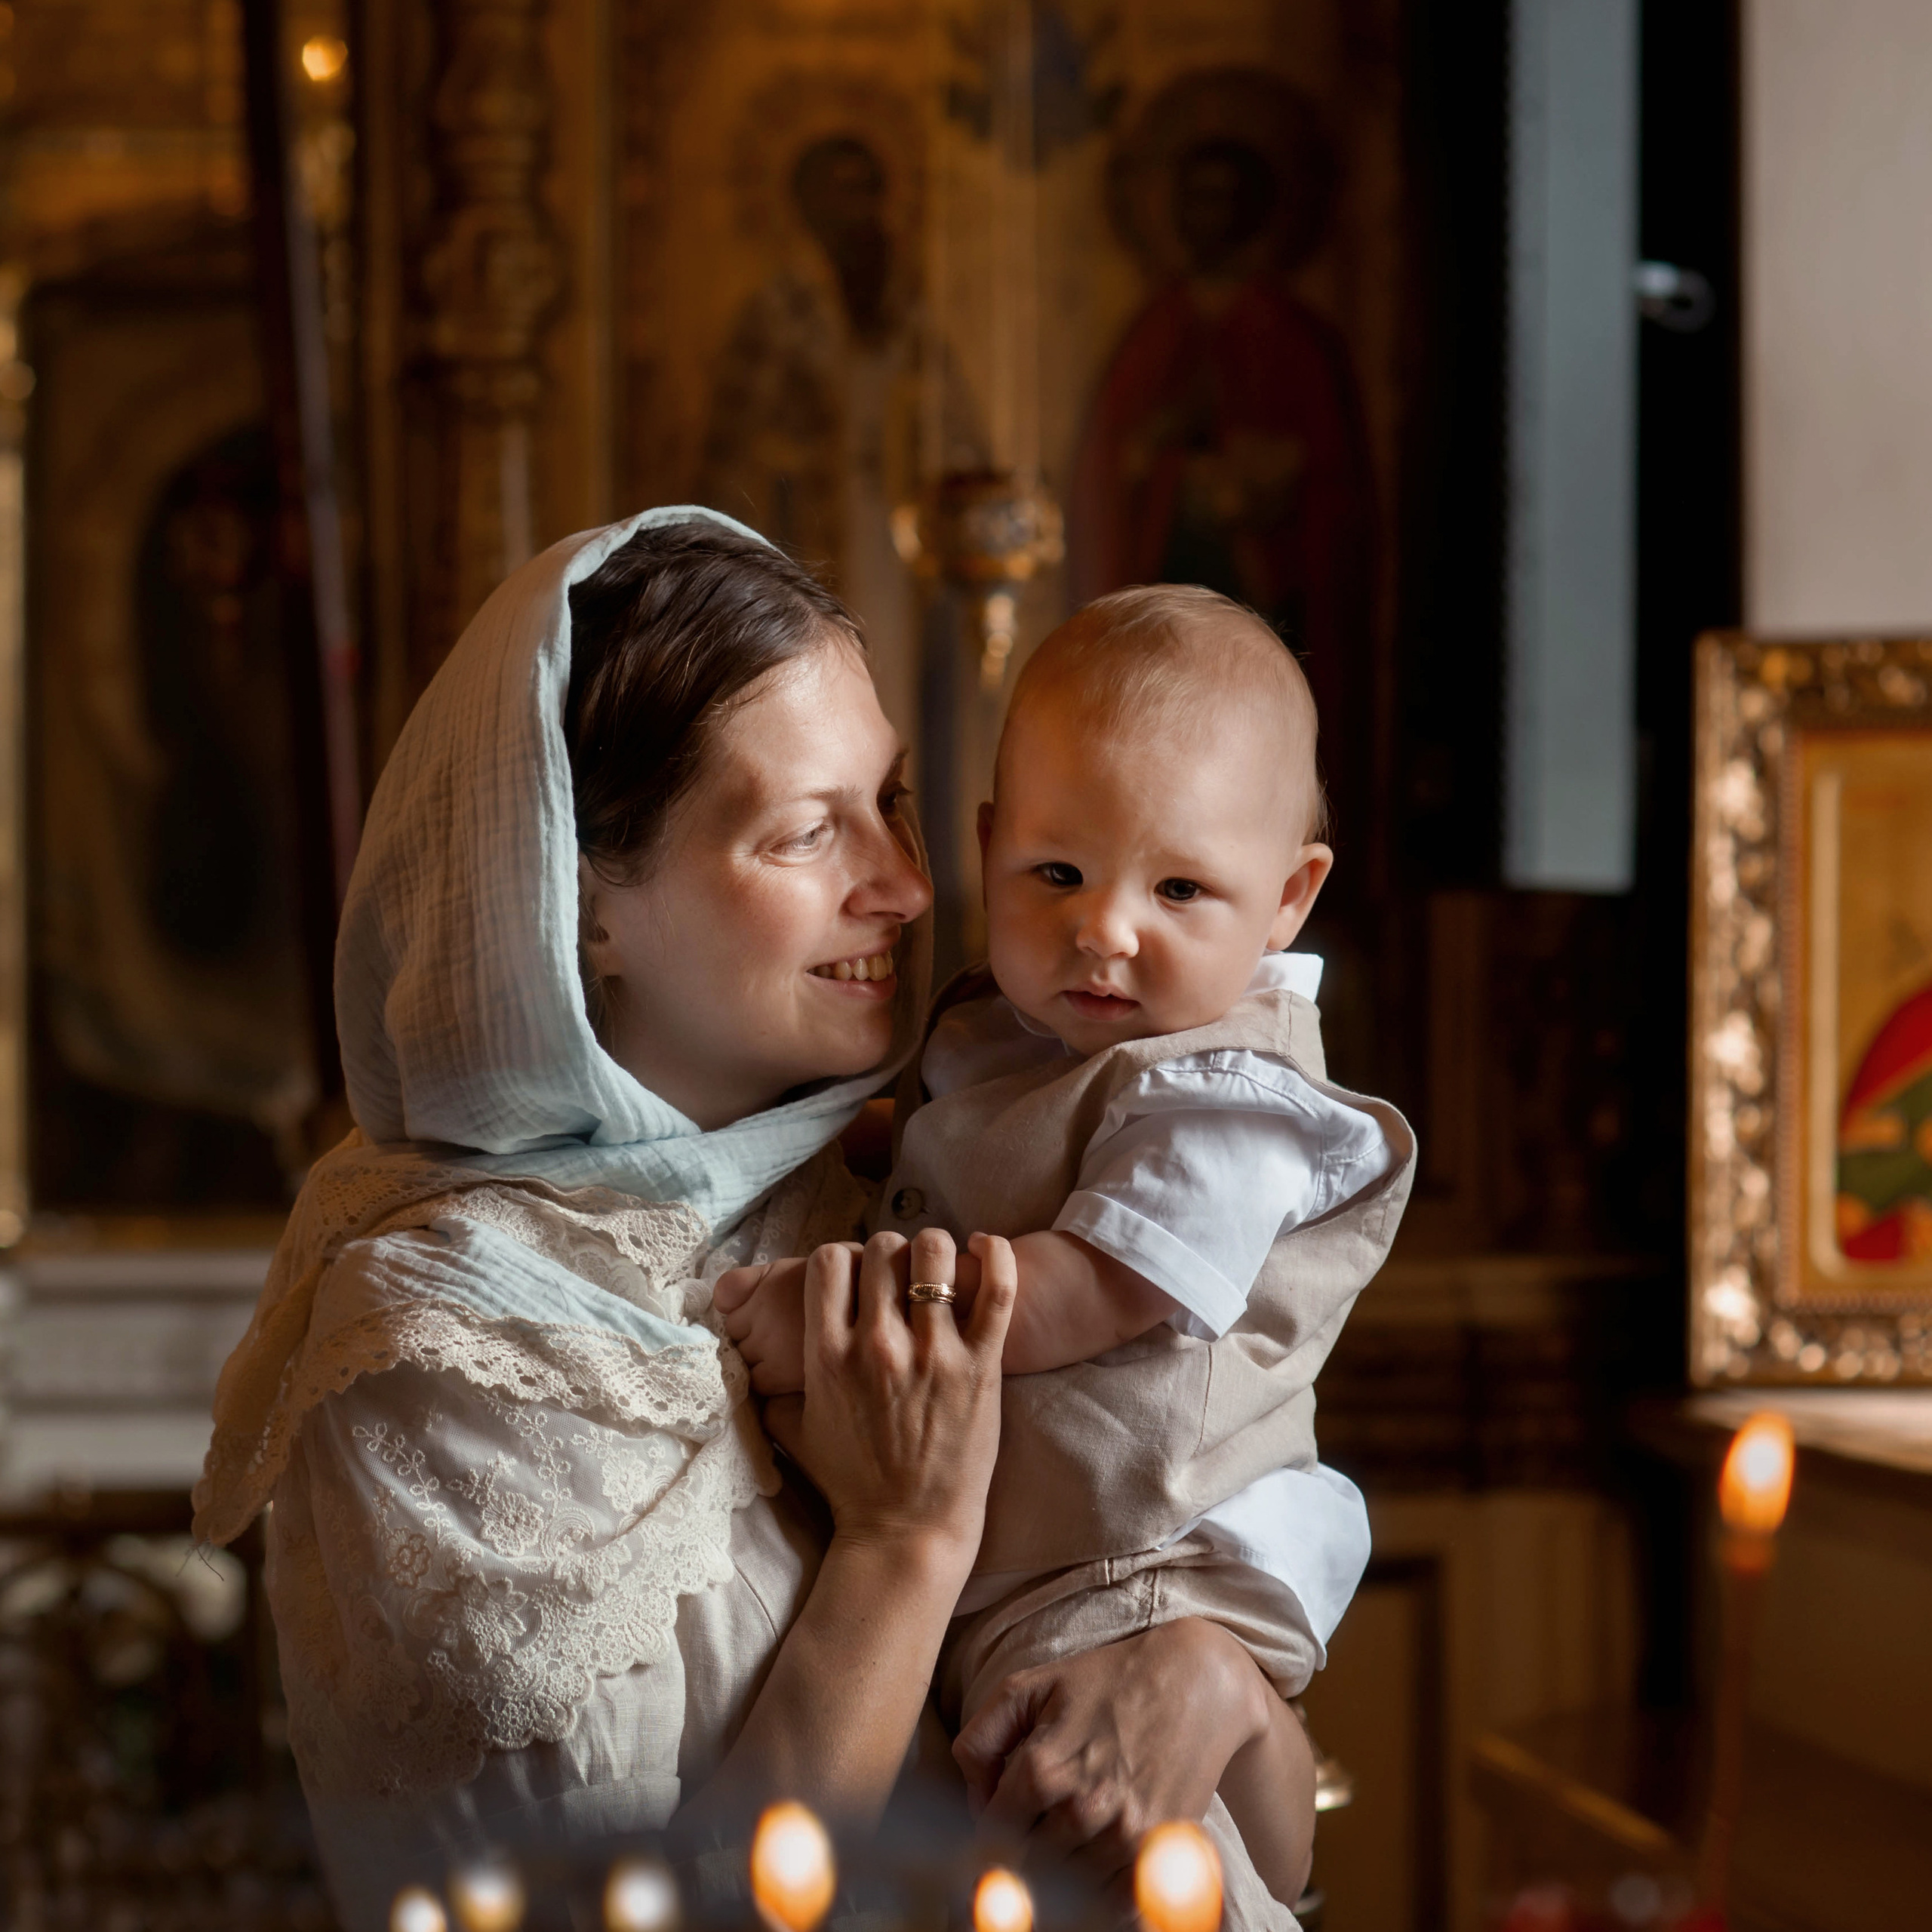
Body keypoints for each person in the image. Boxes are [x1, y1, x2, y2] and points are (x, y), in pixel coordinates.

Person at [190, 512, 1320, 1930]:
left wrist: (1212, 1683)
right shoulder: (445, 1348)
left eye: (891, 801)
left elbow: (1277, 1862)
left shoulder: (905, 1189)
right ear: (581, 903)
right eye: (806, 832)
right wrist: (903, 1543)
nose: (908, 884)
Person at [721, 583, 1414, 1905]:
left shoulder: (1227, 1100)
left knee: (1133, 1873)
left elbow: (1084, 1289)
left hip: (1127, 1580)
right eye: (1057, 874)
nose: (1104, 929)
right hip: (1020, 1586)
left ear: (1288, 896)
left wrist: (829, 1314)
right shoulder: (1014, 1033)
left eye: (1180, 887)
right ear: (990, 846)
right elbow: (958, 1162)